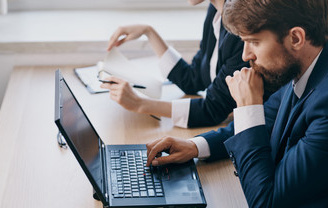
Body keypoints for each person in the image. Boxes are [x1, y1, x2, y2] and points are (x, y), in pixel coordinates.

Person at [145, 0, 328, 208]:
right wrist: (196, 146)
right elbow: (264, 120)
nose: (246, 55)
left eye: (253, 42)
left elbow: (264, 204)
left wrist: (246, 105)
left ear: (296, 38)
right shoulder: (311, 58)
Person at [101, 0, 251, 128]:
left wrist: (139, 104)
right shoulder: (216, 12)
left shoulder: (242, 30)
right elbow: (193, 79)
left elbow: (213, 110)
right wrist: (149, 32)